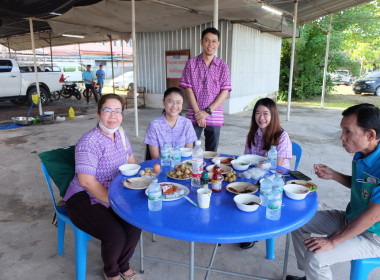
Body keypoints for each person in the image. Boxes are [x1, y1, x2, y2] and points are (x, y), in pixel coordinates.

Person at [287, 103, 380, 280]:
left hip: (374, 235)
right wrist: (335, 175)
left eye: (348, 131)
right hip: (351, 219)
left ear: (370, 134)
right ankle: (309, 275)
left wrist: (333, 240)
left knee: (316, 257)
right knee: (297, 220)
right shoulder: (362, 154)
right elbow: (364, 186)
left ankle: (312, 269)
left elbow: (374, 215)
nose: (342, 137)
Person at [64, 94, 142, 280]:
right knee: (115, 235)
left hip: (112, 192)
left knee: (134, 224)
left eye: (118, 111)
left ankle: (123, 265)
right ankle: (111, 272)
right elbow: (86, 182)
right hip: (82, 197)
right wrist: (115, 202)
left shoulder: (121, 135)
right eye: (108, 110)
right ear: (99, 113)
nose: (113, 115)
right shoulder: (89, 141)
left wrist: (141, 182)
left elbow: (131, 162)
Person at [240, 97, 292, 249]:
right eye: (257, 113)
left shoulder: (281, 136)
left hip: (275, 180)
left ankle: (254, 232)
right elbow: (247, 159)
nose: (261, 118)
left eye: (265, 113)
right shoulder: (252, 134)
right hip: (255, 175)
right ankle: (244, 227)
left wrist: (265, 165)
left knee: (257, 198)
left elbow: (278, 165)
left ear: (273, 115)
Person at [180, 27, 231, 152]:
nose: (210, 44)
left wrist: (207, 111)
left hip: (215, 115)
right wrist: (199, 114)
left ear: (218, 44)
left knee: (211, 153)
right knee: (190, 150)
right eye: (207, 40)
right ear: (201, 42)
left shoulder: (223, 66)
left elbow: (225, 91)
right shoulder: (191, 64)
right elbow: (188, 89)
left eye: (214, 41)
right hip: (194, 114)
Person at [144, 87, 198, 159]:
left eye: (178, 102)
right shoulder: (154, 125)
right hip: (162, 166)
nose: (174, 106)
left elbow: (187, 154)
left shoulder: (187, 124)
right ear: (164, 102)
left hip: (182, 166)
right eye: (170, 101)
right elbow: (155, 158)